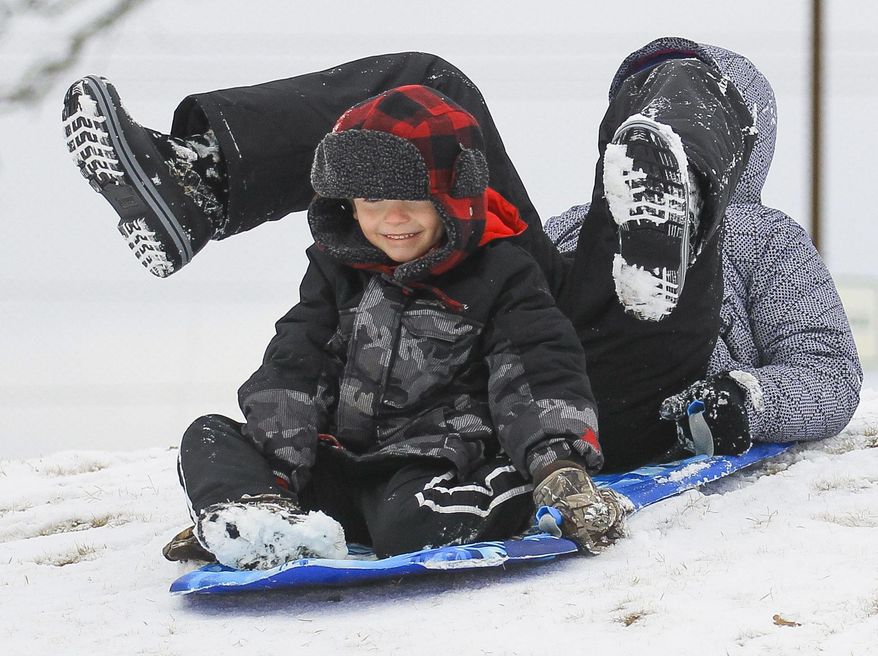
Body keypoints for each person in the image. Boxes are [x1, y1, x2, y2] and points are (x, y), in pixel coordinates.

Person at [164, 85, 625, 568]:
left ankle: (532, 496)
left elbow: (537, 370)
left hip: (431, 467)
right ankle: (261, 520)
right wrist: (281, 470)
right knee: (211, 434)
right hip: (337, 464)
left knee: (409, 528)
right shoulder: (335, 269)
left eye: (414, 197)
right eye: (371, 198)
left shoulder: (501, 273)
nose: (393, 219)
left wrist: (556, 465)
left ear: (455, 194)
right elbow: (297, 362)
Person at [544, 40, 863, 448]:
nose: (663, 107)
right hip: (561, 392)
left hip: (663, 399)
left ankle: (681, 220)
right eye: (645, 99)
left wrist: (744, 400)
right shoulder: (571, 226)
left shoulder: (765, 237)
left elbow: (827, 369)